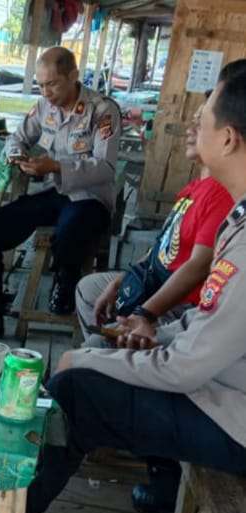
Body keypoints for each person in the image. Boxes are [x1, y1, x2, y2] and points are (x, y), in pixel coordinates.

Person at [24, 59, 246, 513]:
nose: (195, 121)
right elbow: (205, 323)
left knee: (75, 392)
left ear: (229, 138)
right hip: (222, 386)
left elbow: (185, 369)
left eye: (206, 113)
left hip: (233, 417)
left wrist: (90, 357)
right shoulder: (238, 217)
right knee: (87, 373)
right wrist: (152, 332)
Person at [0, 46, 121, 338]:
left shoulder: (102, 110)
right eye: (40, 85)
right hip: (54, 191)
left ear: (73, 76)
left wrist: (55, 165)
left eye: (52, 84)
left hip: (91, 198)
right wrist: (16, 155)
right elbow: (16, 138)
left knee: (69, 231)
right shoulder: (44, 107)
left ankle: (66, 282)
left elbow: (105, 167)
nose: (45, 92)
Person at [76, 98, 233, 354]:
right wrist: (123, 279)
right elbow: (163, 247)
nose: (190, 129)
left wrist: (145, 313)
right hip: (154, 280)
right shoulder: (196, 187)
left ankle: (111, 355)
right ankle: (114, 352)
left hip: (181, 303)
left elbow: (198, 266)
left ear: (227, 138)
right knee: (89, 289)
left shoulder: (222, 194)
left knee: (92, 349)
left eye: (201, 123)